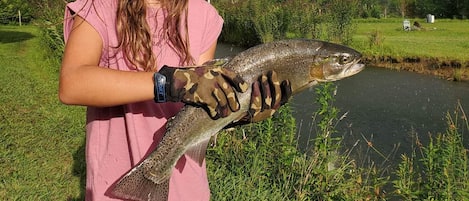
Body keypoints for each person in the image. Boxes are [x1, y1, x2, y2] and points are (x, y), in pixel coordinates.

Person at [59, 0, 291, 200]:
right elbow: (72, 84)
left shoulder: (203, 15)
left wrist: (242, 112)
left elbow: (200, 108)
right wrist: (169, 83)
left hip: (186, 188)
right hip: (115, 184)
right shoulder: (100, 7)